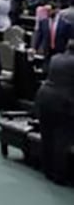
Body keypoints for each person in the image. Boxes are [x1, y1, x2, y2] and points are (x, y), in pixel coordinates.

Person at [34, 39, 74, 185]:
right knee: (61, 140)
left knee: (47, 136)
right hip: (63, 103)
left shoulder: (55, 58)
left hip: (44, 98)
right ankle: (59, 176)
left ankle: (48, 170)